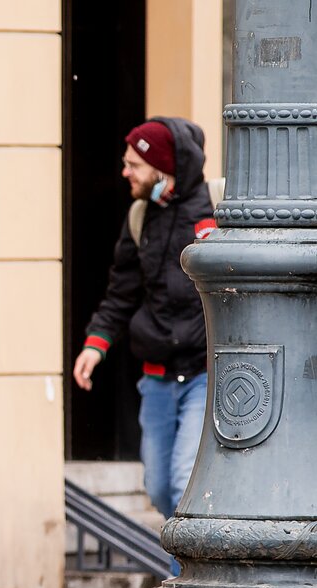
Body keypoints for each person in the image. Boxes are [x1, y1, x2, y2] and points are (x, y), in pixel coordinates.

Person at [74, 118, 215, 544]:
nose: (125, 173)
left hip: (203, 375)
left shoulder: (217, 209)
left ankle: (183, 581)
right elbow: (121, 293)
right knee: (157, 488)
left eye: (133, 164)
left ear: (161, 167)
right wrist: (94, 347)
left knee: (181, 484)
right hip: (156, 379)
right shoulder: (139, 217)